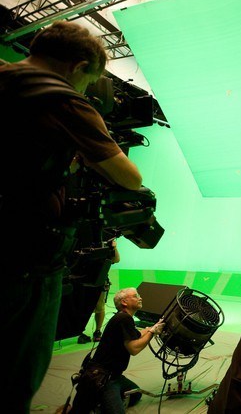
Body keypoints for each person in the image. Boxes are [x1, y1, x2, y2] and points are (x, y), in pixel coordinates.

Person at [0, 21, 143, 413]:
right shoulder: (62, 100)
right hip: (25, 263)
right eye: (88, 82)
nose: (85, 90)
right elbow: (130, 177)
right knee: (14, 381)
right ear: (79, 67)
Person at [68, 287, 165, 413]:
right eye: (135, 296)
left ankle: (100, 402)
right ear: (124, 302)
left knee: (136, 394)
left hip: (115, 376)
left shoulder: (122, 317)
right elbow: (134, 348)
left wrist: (152, 328)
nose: (140, 298)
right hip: (104, 379)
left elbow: (137, 334)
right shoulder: (124, 319)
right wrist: (152, 333)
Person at [77, 239, 119, 344]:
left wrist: (114, 248)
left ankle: (98, 331)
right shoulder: (82, 244)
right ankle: (79, 332)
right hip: (81, 281)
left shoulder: (106, 244)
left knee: (100, 308)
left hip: (99, 281)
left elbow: (116, 259)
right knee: (81, 308)